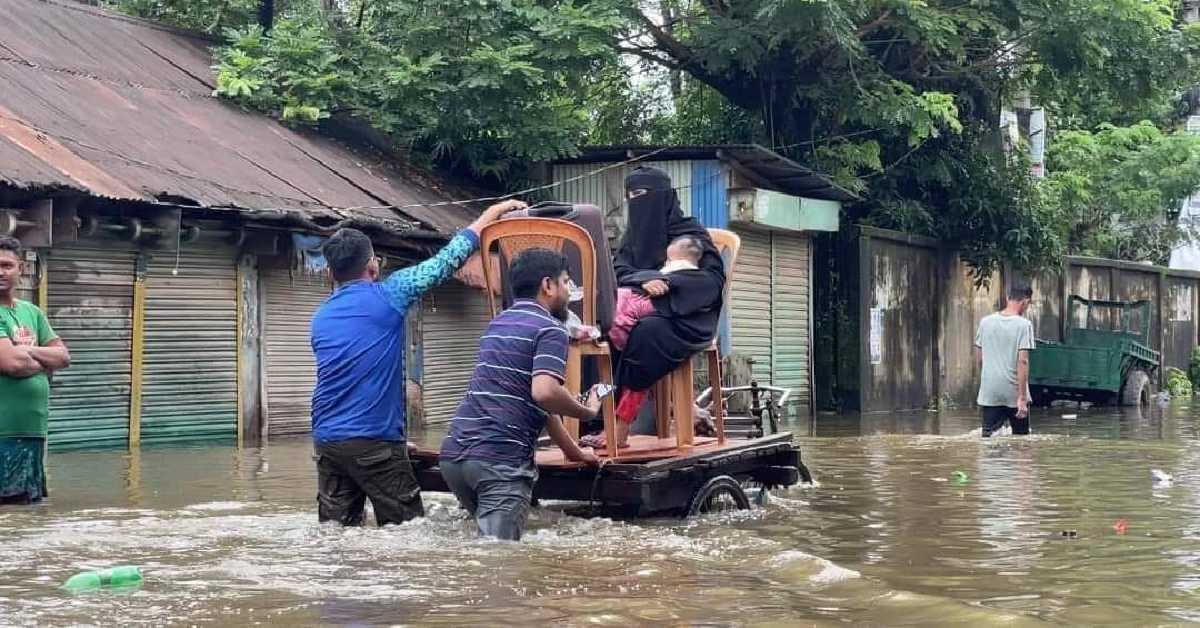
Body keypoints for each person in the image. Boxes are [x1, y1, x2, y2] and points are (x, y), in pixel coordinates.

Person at [310, 199, 526, 527]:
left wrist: (392, 438)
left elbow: (350, 379)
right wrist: (493, 213)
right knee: (406, 534)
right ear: (373, 266)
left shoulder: (320, 317)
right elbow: (448, 260)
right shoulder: (389, 294)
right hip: (374, 443)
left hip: (327, 442)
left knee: (337, 534)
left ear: (330, 273)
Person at [440, 248, 601, 540]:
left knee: (483, 552)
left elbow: (539, 407)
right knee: (499, 564)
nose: (568, 291)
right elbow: (544, 393)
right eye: (566, 282)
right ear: (547, 285)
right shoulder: (551, 329)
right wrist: (587, 411)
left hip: (455, 458)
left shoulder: (497, 324)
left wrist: (575, 453)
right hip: (499, 461)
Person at [610, 166, 725, 446]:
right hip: (639, 311)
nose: (635, 202)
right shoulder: (632, 239)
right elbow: (617, 271)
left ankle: (623, 425)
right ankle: (597, 420)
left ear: (663, 197)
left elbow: (711, 281)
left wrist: (668, 283)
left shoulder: (690, 234)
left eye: (641, 194)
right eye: (630, 196)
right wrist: (645, 278)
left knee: (648, 332)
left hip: (687, 318)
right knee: (600, 329)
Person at [0, 236, 70, 505]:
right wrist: (44, 360)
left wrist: (27, 351)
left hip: (32, 432)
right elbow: (12, 364)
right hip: (3, 433)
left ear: (22, 269)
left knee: (27, 509)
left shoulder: (32, 312)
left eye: (7, 265)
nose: (0, 271)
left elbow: (63, 356)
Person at [609, 234, 704, 351]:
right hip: (659, 305)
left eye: (669, 260)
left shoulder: (678, 266)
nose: (666, 263)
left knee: (622, 304)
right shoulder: (697, 274)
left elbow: (662, 276)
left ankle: (622, 342)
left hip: (657, 304)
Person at [975, 284, 1036, 437]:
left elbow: (980, 359)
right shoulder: (1024, 325)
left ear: (1008, 298)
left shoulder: (985, 322)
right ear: (1025, 302)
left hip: (990, 391)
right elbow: (1023, 362)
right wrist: (1022, 398)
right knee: (1021, 442)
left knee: (989, 440)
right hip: (1013, 392)